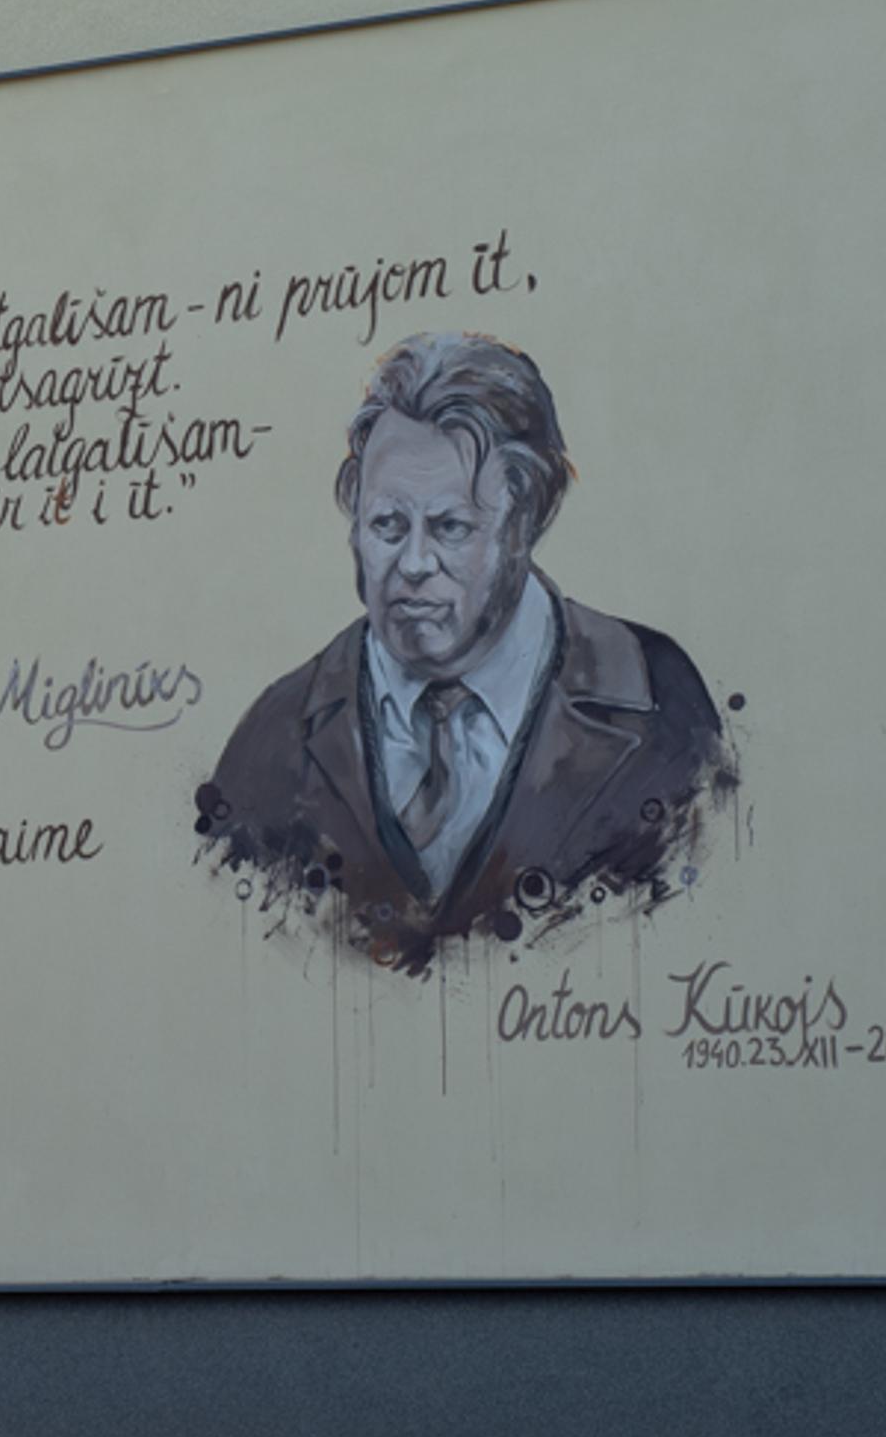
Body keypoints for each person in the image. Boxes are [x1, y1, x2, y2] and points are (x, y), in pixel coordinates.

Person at [198, 332, 729, 970]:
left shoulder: (657, 702)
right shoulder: (276, 737)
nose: (414, 564)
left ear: (526, 521)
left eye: (451, 527)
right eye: (387, 526)